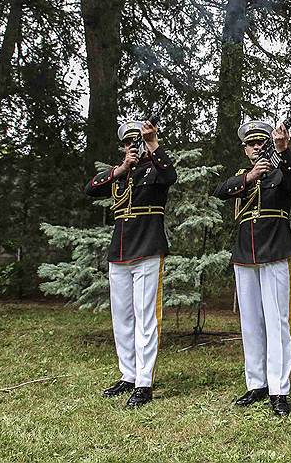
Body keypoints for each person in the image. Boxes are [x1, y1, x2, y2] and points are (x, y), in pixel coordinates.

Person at [213, 120, 291, 417]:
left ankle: (279, 389)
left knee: (277, 323)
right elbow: (220, 191)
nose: (256, 148)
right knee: (250, 322)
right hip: (245, 253)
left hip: (275, 249)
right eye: (252, 144)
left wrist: (282, 150)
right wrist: (251, 176)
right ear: (245, 149)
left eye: (261, 143)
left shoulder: (281, 171)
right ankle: (256, 384)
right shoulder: (243, 177)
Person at [85, 120, 177, 408]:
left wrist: (153, 143)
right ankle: (128, 374)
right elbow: (90, 188)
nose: (131, 147)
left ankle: (144, 382)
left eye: (136, 142)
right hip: (120, 251)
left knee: (145, 318)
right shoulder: (121, 174)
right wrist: (122, 169)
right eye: (128, 143)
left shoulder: (156, 168)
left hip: (148, 247)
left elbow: (170, 175)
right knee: (122, 318)